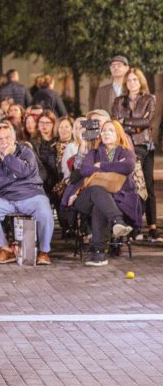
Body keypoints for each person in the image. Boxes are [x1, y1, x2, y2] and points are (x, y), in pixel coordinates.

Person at [62, 120, 141, 266]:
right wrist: (114, 167)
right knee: (97, 190)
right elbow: (85, 170)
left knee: (100, 202)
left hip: (115, 198)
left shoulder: (126, 152)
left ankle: (100, 254)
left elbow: (128, 166)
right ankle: (117, 221)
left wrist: (100, 165)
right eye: (104, 130)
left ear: (118, 134)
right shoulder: (94, 152)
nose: (106, 133)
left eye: (111, 130)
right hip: (86, 197)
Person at [0, 122, 54, 265]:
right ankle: (5, 249)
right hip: (5, 198)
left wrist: (8, 157)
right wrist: (13, 177)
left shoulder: (26, 152)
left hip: (31, 195)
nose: (4, 141)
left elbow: (24, 171)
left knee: (45, 212)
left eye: (7, 137)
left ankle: (44, 251)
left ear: (14, 138)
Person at [111, 67, 157, 241]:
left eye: (135, 80)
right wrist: (133, 125)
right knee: (133, 184)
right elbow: (116, 123)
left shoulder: (149, 99)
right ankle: (133, 223)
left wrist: (125, 122)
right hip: (124, 146)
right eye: (129, 80)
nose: (132, 83)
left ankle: (152, 226)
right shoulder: (118, 101)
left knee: (148, 185)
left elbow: (147, 122)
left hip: (143, 146)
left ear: (141, 81)